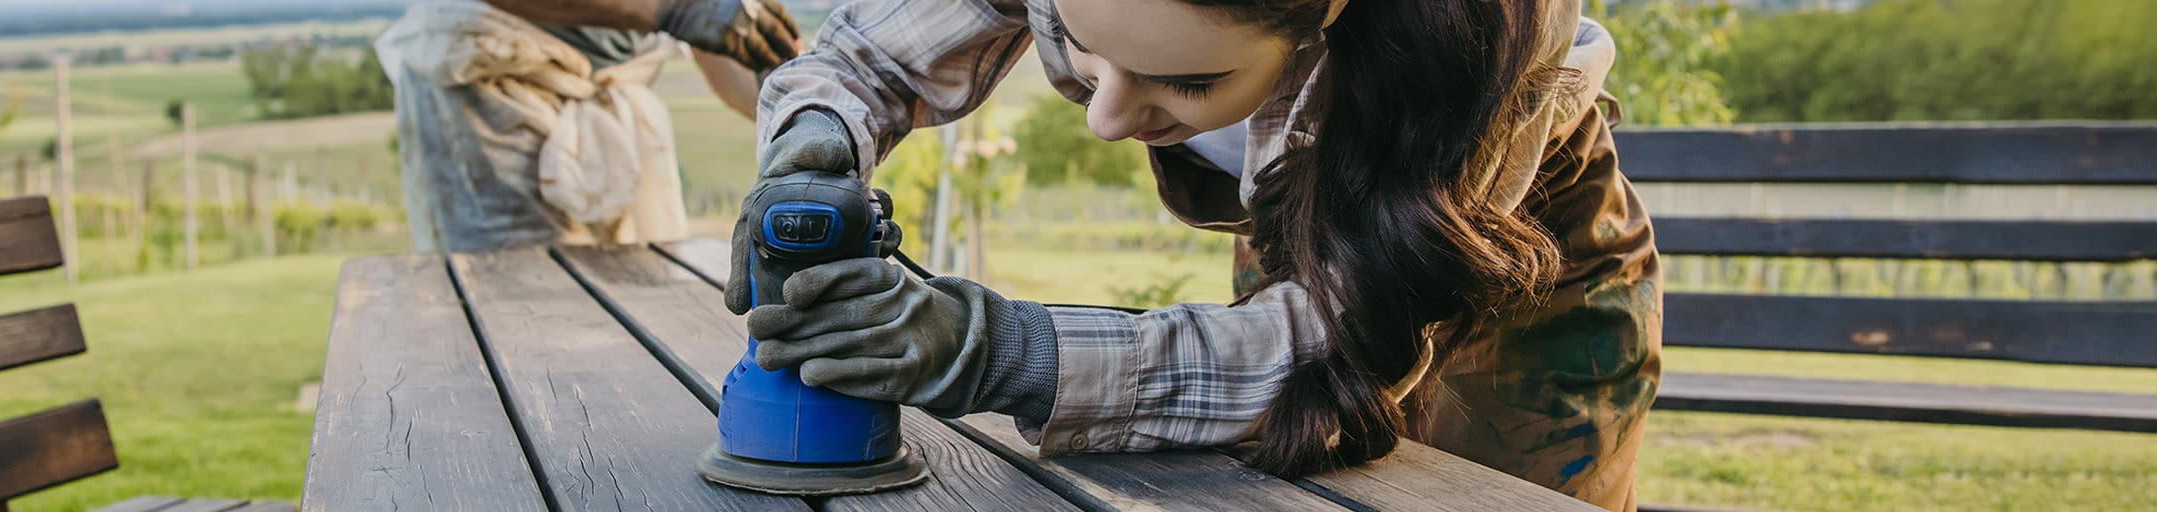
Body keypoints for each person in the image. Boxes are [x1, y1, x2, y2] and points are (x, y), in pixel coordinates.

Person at [729, 0, 1659, 509]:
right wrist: (812, 147)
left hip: (1507, 260)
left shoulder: (1477, 45)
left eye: (1186, 79)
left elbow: (1326, 354)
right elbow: (871, 62)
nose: (1103, 120)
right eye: (1083, 46)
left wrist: (1010, 354)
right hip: (1303, 238)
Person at [377, 0, 801, 251]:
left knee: (627, 299)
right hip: (487, 91)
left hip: (607, 96)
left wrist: (800, 109)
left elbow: (720, 43)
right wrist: (673, 7)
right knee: (514, 298)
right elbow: (686, 10)